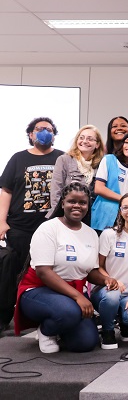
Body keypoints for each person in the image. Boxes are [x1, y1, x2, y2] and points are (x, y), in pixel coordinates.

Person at [14, 182, 111, 353]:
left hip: (69, 295)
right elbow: (43, 272)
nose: (77, 206)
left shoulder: (91, 234)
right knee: (70, 311)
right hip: (38, 290)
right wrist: (78, 297)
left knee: (85, 343)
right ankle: (46, 330)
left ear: (88, 206)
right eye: (72, 201)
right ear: (62, 203)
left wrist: (106, 279)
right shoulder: (48, 229)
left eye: (82, 202)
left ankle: (62, 327)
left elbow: (90, 272)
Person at [0, 117, 64, 331]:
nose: (44, 132)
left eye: (49, 129)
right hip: (20, 227)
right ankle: (7, 318)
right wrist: (1, 221)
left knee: (49, 271)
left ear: (54, 134)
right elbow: (6, 191)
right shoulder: (18, 159)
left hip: (52, 228)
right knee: (16, 272)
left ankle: (44, 314)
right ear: (30, 134)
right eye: (39, 129)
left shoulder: (63, 157)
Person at [92, 192, 128, 349]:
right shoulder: (109, 234)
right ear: (120, 211)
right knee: (112, 296)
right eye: (125, 207)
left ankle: (123, 321)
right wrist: (112, 281)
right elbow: (99, 266)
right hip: (106, 290)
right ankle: (108, 330)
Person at [92, 132, 128, 232]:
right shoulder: (108, 159)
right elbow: (99, 188)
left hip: (125, 215)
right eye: (127, 142)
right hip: (103, 215)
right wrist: (124, 199)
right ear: (122, 145)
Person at [48, 125, 104, 220]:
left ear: (97, 144)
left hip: (89, 217)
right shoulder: (64, 159)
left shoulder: (101, 164)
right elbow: (55, 191)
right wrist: (59, 217)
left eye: (90, 139)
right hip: (65, 216)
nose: (85, 141)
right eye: (81, 138)